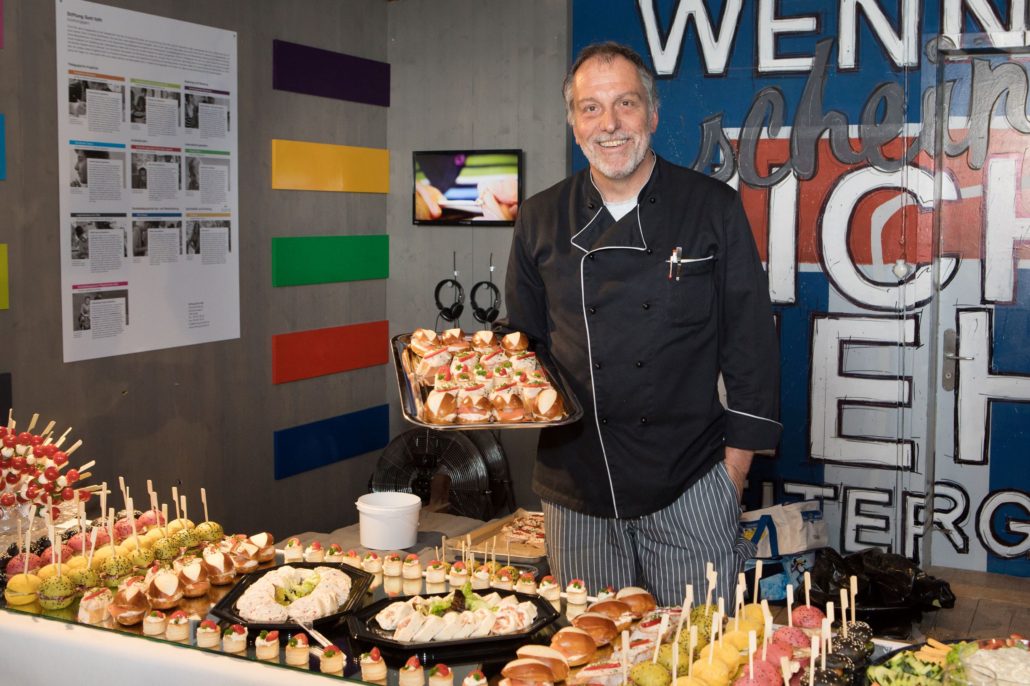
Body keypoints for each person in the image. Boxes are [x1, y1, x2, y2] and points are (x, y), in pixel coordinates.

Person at [502, 42, 781, 606]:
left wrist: (733, 473)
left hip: (691, 481)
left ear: (652, 114)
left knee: (699, 646)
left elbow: (751, 345)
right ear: (574, 123)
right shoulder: (539, 217)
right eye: (591, 108)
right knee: (593, 642)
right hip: (577, 489)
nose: (609, 124)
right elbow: (525, 348)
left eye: (625, 104)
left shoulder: (711, 207)